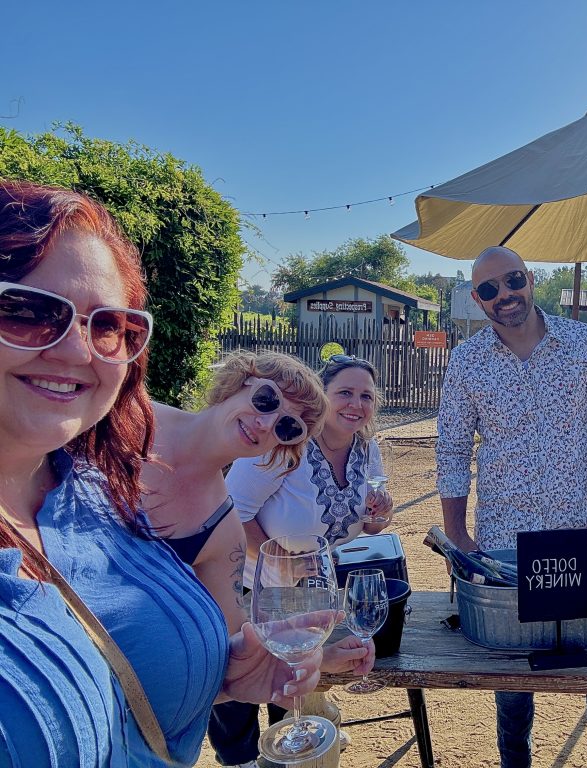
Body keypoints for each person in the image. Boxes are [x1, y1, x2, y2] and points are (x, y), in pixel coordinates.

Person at [0, 181, 354, 766]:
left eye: (290, 429)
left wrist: (241, 671)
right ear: (240, 380)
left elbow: (220, 639)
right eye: (32, 313)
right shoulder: (102, 428)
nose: (74, 352)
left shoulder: (213, 525)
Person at [436, 245, 587, 768]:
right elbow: (453, 449)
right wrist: (457, 534)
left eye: (512, 281)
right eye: (489, 289)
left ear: (530, 279)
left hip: (581, 532)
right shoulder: (467, 361)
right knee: (512, 672)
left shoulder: (585, 343)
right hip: (507, 541)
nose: (504, 295)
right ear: (478, 300)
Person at [142, 350, 329, 768]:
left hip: (136, 732)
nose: (265, 422)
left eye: (287, 426)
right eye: (266, 399)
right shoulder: (129, 420)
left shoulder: (222, 529)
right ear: (240, 380)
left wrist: (280, 665)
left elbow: (229, 662)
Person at [227, 353, 394, 589]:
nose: (356, 404)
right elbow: (230, 510)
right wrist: (282, 562)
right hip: (251, 590)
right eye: (345, 392)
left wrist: (383, 512)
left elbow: (372, 525)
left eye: (366, 396)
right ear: (321, 395)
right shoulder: (287, 440)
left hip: (315, 592)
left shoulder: (367, 448)